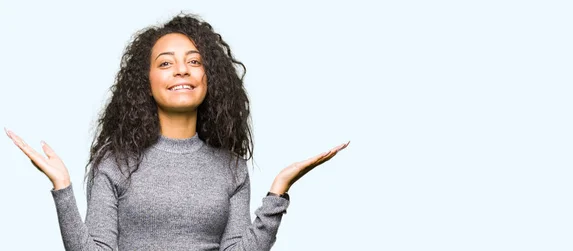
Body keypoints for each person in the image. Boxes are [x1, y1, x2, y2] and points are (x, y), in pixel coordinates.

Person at [4, 13, 349, 251]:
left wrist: (278, 192)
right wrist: (63, 188)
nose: (182, 70)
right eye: (166, 63)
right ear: (147, 82)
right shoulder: (116, 163)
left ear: (209, 77)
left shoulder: (230, 167)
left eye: (194, 61)